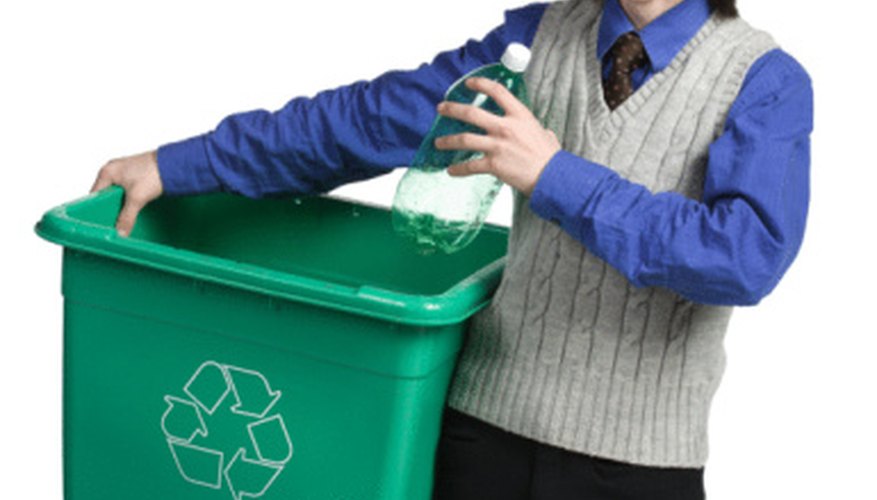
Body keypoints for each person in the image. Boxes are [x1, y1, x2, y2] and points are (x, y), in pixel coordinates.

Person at [91, 0, 813, 498]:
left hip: (635, 467)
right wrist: (178, 165)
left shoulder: (764, 83)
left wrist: (554, 175)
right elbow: (362, 123)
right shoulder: (535, 39)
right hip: (479, 436)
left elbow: (742, 257)